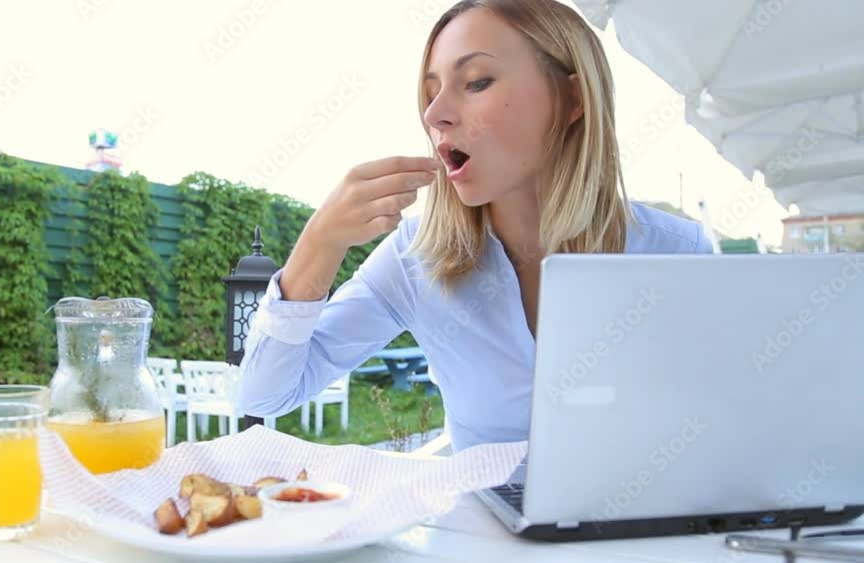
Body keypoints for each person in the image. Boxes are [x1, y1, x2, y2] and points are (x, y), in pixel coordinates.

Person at [237, 0, 713, 452]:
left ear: (572, 98)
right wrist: (319, 244)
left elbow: (720, 429)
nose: (434, 113)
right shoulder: (415, 258)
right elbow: (264, 396)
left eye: (477, 81)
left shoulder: (678, 255)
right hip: (473, 537)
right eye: (429, 93)